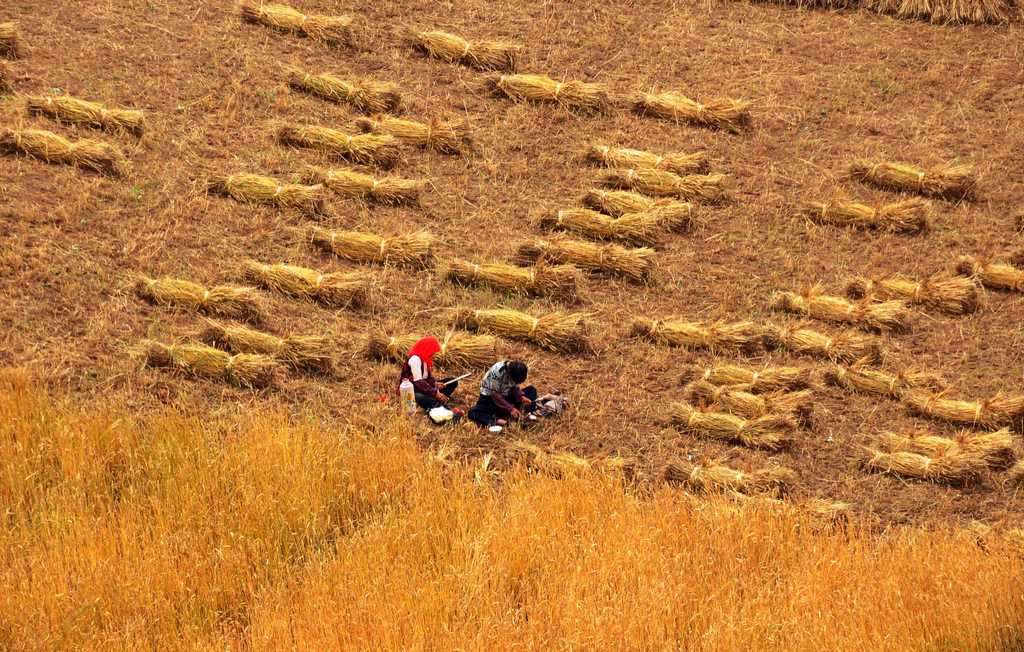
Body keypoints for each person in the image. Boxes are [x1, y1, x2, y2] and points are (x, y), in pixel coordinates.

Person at [398, 336, 460, 412]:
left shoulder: (425, 359)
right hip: (413, 390)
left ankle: (438, 399)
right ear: (427, 349)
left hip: (424, 387)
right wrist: (435, 393)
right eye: (432, 351)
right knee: (422, 397)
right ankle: (438, 403)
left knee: (452, 381)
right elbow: (419, 382)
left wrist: (435, 383)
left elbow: (428, 378)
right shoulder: (415, 359)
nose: (433, 354)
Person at [468, 360, 538, 427]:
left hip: (506, 395)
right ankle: (497, 421)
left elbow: (514, 387)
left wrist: (521, 397)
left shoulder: (516, 370)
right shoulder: (497, 371)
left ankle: (527, 414)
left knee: (531, 390)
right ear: (509, 374)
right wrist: (510, 408)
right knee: (473, 412)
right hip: (491, 399)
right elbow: (495, 396)